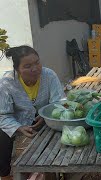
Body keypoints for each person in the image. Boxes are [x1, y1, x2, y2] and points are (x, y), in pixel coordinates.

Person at [0, 46, 64, 180]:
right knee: (1, 135)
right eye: (28, 66)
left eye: (37, 62)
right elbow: (3, 115)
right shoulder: (6, 83)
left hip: (45, 119)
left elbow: (59, 102)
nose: (35, 69)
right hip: (18, 121)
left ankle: (56, 170)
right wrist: (18, 127)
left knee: (59, 132)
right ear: (17, 69)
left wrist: (47, 116)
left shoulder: (49, 75)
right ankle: (4, 174)